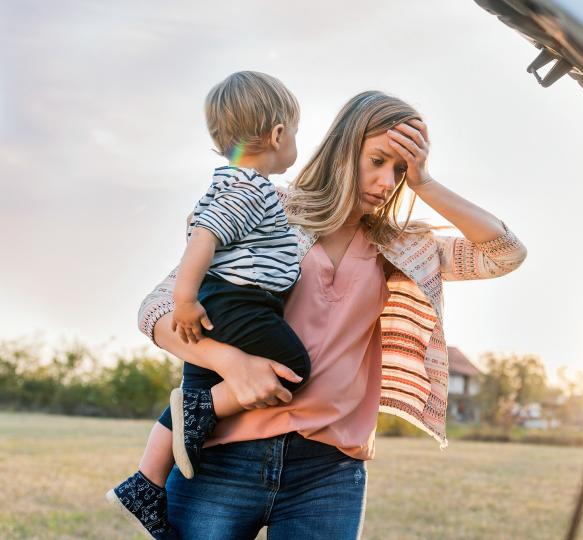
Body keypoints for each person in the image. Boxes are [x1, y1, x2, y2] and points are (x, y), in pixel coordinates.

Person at [126, 90, 526, 539]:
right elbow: (157, 309)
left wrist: (425, 183)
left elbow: (503, 254)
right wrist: (231, 364)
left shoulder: (401, 246)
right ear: (343, 148)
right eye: (377, 160)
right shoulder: (267, 207)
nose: (386, 182)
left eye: (399, 171)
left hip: (328, 473)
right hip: (223, 456)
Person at [106, 71, 313, 539]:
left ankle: (147, 481)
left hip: (223, 301)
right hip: (239, 301)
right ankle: (199, 415)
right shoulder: (251, 188)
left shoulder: (228, 182)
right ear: (278, 134)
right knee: (292, 366)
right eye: (296, 132)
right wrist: (183, 298)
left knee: (196, 391)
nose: (295, 142)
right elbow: (204, 237)